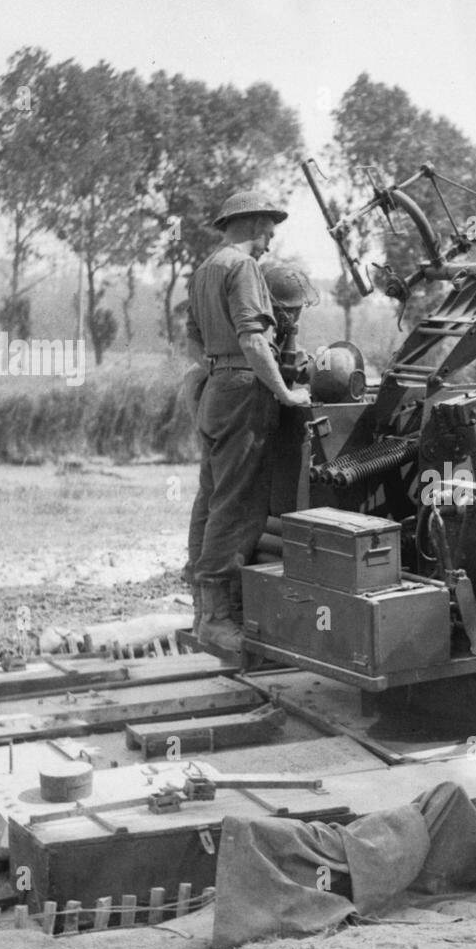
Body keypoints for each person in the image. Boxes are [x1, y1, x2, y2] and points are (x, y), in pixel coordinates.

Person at [182, 191, 311, 652]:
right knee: (238, 504)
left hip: (214, 388)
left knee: (212, 496)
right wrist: (285, 392)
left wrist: (219, 369)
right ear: (254, 223)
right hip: (242, 392)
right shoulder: (243, 268)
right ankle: (217, 619)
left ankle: (203, 607)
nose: (269, 245)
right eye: (268, 233)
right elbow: (255, 341)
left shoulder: (204, 270)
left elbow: (193, 346)